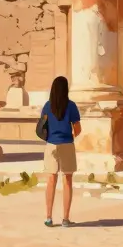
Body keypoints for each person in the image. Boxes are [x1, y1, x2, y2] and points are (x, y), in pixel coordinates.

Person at [41, 76, 82, 228]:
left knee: (51, 180)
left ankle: (49, 217)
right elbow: (77, 129)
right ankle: (65, 218)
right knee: (67, 180)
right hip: (66, 144)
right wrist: (70, 136)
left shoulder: (47, 105)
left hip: (51, 144)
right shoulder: (71, 106)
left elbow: (43, 125)